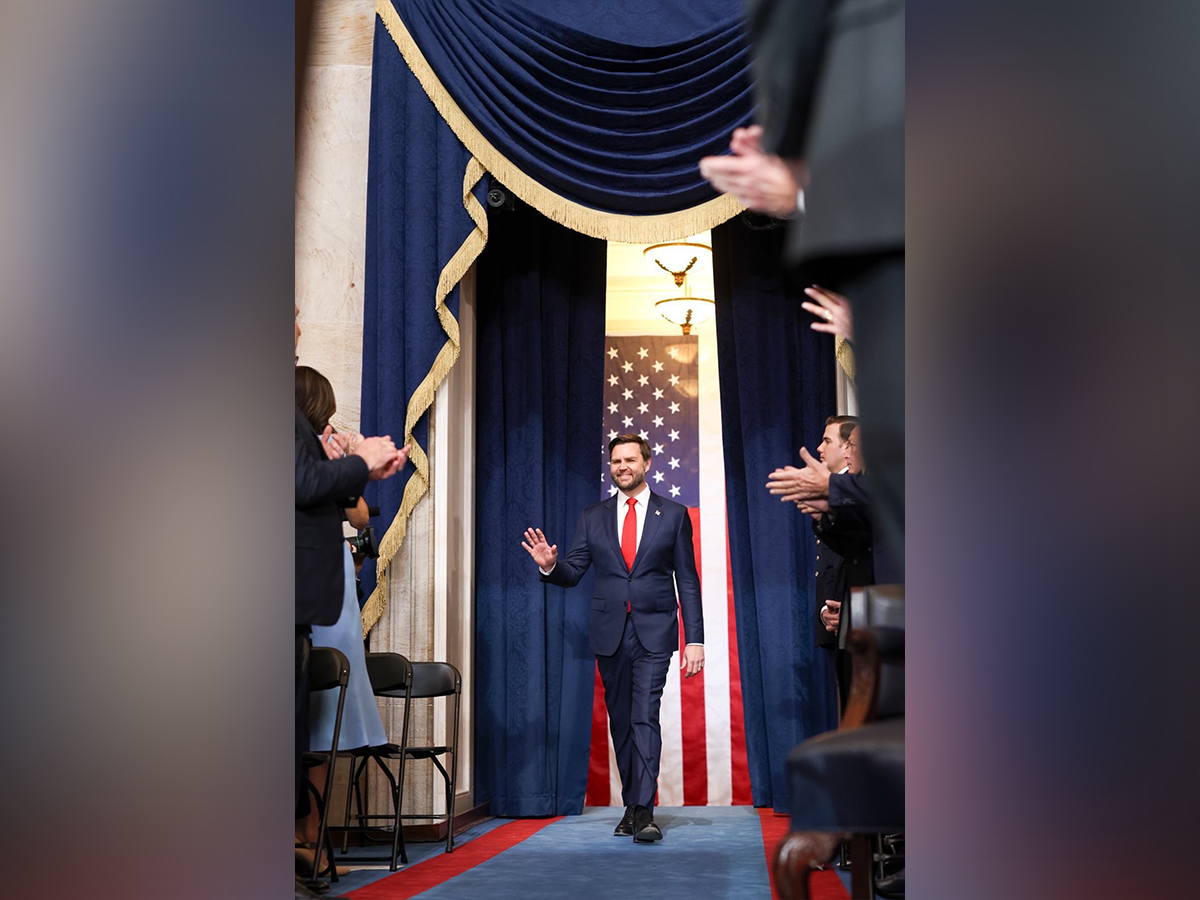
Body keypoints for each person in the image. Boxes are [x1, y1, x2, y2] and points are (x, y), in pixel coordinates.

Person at [521, 435, 704, 843]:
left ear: (647, 463)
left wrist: (696, 639)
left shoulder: (673, 514)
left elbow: (687, 581)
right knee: (622, 722)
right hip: (610, 635)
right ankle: (631, 806)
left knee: (644, 715)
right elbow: (574, 573)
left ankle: (645, 811)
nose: (623, 466)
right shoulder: (593, 516)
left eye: (630, 459)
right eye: (616, 461)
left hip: (655, 632)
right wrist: (551, 566)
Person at [295, 307, 406, 842]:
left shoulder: (326, 447)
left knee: (318, 706)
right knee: (305, 709)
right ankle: (302, 838)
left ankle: (309, 839)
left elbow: (358, 514)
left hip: (329, 577)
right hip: (302, 581)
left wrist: (351, 469)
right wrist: (350, 464)